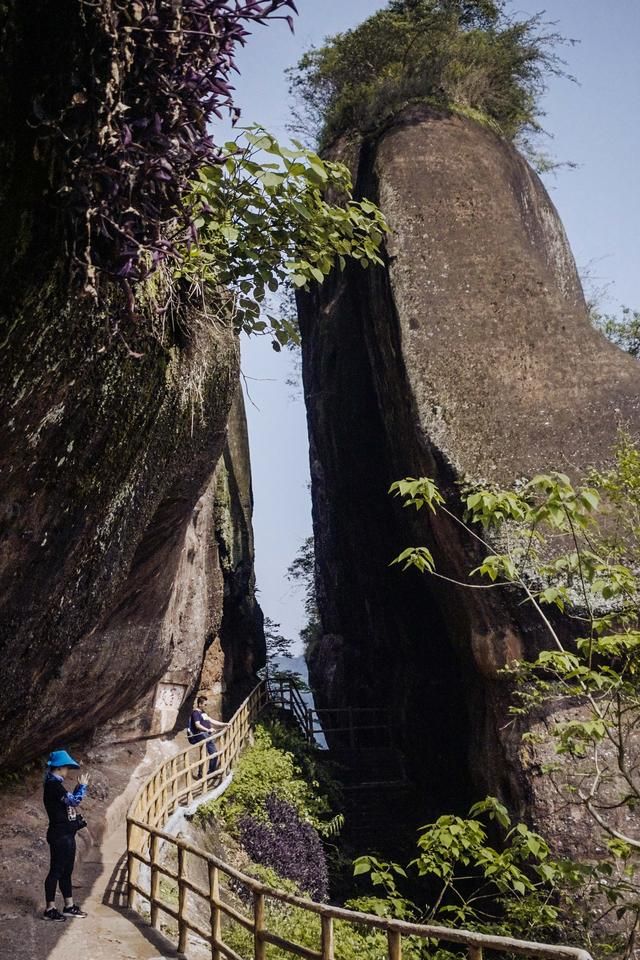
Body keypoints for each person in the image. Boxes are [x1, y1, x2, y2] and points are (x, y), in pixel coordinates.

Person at [42, 749, 89, 921]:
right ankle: (50, 909)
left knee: (66, 871)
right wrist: (82, 787)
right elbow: (73, 801)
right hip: (59, 835)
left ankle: (69, 906)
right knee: (56, 871)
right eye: (67, 767)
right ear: (60, 768)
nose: (68, 770)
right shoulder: (53, 785)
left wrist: (78, 788)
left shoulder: (56, 784)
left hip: (67, 834)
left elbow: (68, 802)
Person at [188, 696, 227, 778]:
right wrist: (208, 730)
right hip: (202, 735)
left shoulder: (203, 712)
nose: (206, 706)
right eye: (205, 704)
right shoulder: (195, 713)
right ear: (199, 704)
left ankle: (208, 772)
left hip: (206, 734)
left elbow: (211, 720)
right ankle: (204, 773)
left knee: (211, 754)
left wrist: (223, 724)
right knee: (209, 754)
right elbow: (197, 725)